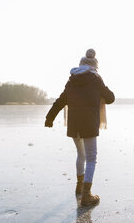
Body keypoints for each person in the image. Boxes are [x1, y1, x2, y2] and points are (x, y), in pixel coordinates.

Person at [44, 49, 115, 206]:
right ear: (95, 67)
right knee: (91, 158)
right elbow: (110, 98)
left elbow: (61, 100)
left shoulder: (72, 80)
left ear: (80, 65)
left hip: (74, 123)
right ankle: (86, 194)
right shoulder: (96, 79)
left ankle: (79, 187)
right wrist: (101, 89)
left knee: (81, 154)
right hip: (89, 123)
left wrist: (50, 117)